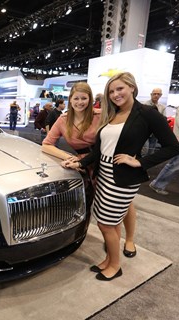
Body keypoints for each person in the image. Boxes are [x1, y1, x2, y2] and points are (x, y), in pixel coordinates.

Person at [62, 72, 179, 281]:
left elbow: (172, 147)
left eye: (120, 89)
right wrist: (80, 162)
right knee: (110, 221)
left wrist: (140, 162)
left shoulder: (146, 113)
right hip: (104, 174)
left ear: (132, 88)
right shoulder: (112, 114)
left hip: (122, 178)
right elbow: (99, 150)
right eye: (111, 91)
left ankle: (115, 266)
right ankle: (110, 260)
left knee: (105, 224)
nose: (115, 94)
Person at [42, 82, 138, 261]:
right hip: (86, 165)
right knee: (103, 204)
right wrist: (69, 156)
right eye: (76, 98)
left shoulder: (101, 115)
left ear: (90, 99)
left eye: (84, 98)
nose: (80, 102)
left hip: (110, 160)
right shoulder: (63, 120)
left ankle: (130, 240)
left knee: (123, 202)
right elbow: (47, 144)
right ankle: (112, 239)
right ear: (70, 99)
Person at [143, 88, 167, 155]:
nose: (156, 95)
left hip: (155, 133)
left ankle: (149, 165)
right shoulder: (144, 105)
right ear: (151, 94)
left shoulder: (162, 107)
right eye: (154, 94)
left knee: (151, 152)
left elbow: (164, 119)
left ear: (161, 95)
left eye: (158, 94)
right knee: (144, 150)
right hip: (144, 132)